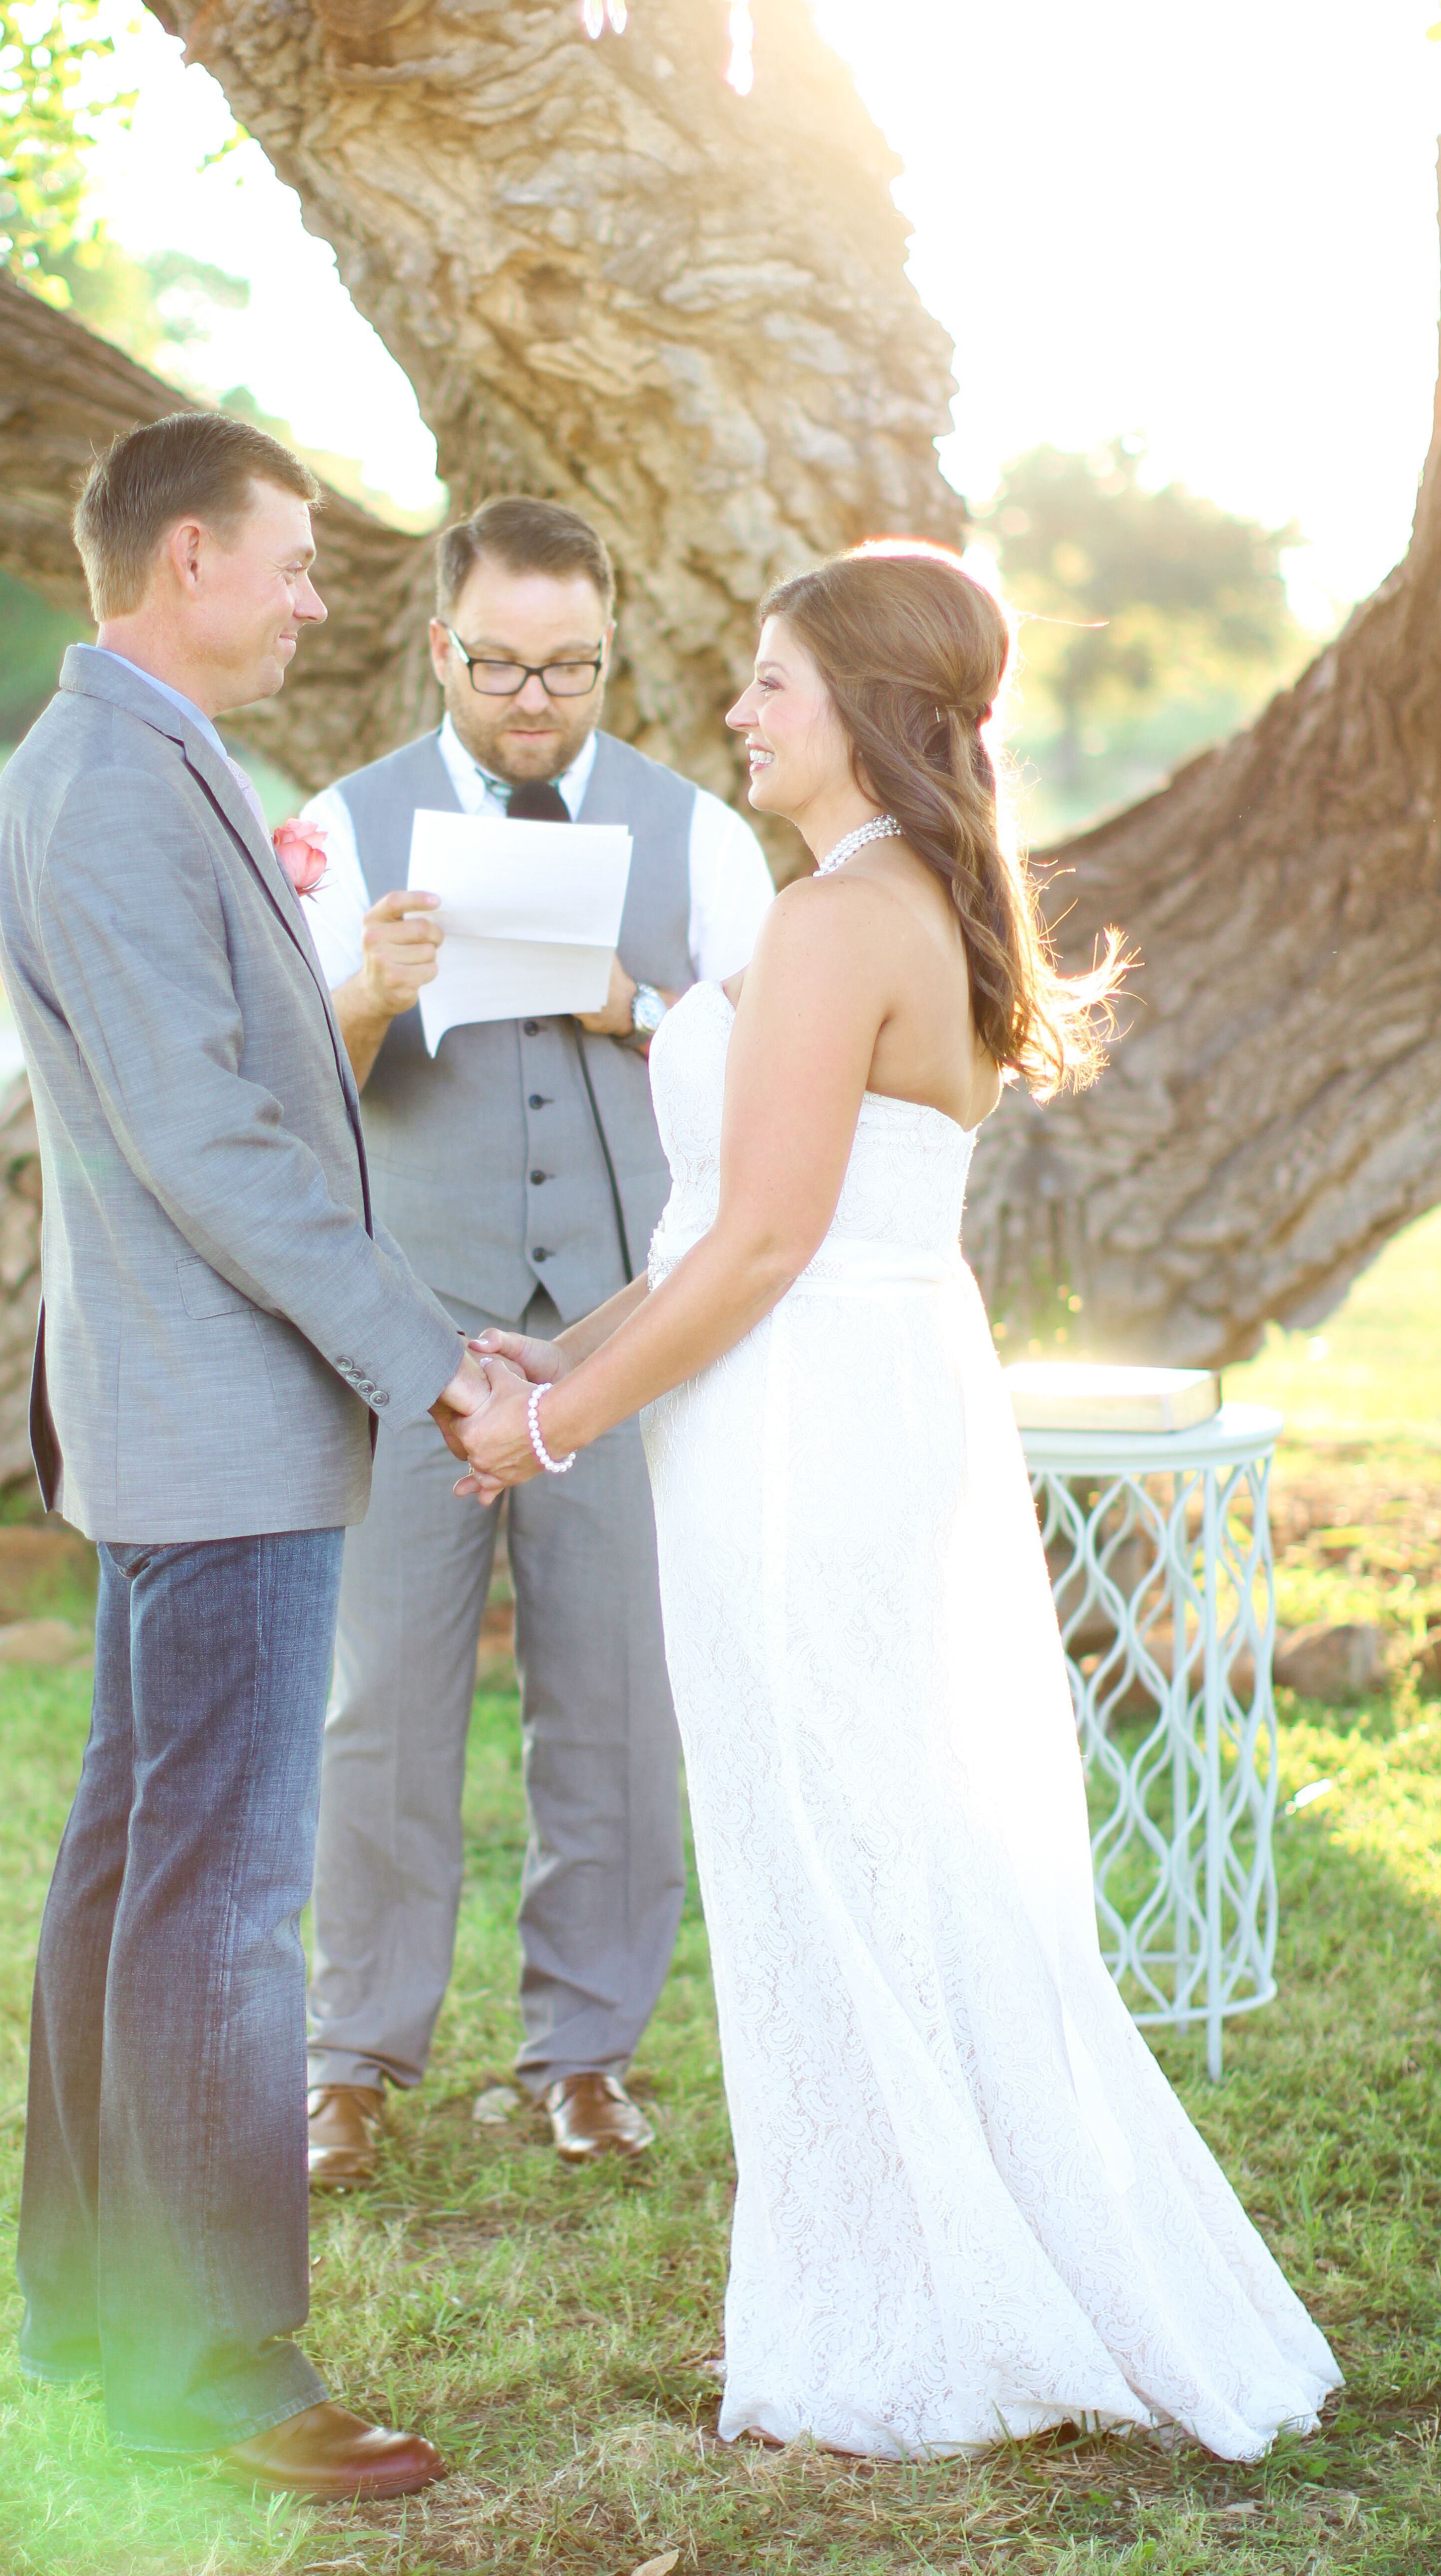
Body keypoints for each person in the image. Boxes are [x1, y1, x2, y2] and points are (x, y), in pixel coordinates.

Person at [450, 542, 1342, 2459]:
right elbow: (730, 1224)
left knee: (830, 1841)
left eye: (771, 681)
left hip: (799, 1427)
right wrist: (568, 1351)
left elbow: (768, 1245)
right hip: (811, 1389)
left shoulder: (852, 914)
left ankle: (912, 2307)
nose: (741, 712)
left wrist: (555, 1428)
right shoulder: (868, 898)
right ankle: (913, 2265)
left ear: (861, 704)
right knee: (843, 1832)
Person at [0, 411, 489, 2497]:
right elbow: (211, 1146)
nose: (310, 598)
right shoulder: (108, 784)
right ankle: (214, 2369)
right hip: (218, 1422)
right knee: (216, 1899)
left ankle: (95, 2311)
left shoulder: (132, 756)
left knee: (137, 1866)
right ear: (186, 559)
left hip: (185, 1417)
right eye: (288, 564)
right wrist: (416, 1352)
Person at [295, 496, 773, 2181]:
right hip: (406, 1344)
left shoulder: (701, 837)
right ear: (441, 646)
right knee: (381, 1703)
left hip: (619, 1338)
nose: (533, 700)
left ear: (608, 651)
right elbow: (274, 1114)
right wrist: (360, 995)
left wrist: (634, 1010)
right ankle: (350, 2058)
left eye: (569, 667)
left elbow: (781, 1080)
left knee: (618, 1698)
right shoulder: (342, 832)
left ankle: (587, 2049)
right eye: (499, 665)